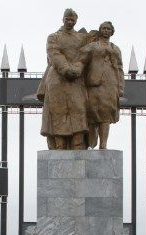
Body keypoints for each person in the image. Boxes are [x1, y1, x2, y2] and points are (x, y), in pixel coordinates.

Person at [37, 8, 91, 150]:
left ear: (76, 21)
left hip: (76, 79)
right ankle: (59, 144)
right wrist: (66, 69)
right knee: (57, 110)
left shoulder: (81, 38)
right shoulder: (54, 37)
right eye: (67, 19)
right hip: (57, 79)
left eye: (72, 19)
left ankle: (78, 143)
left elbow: (85, 55)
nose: (69, 22)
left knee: (79, 109)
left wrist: (78, 67)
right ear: (63, 19)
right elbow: (54, 53)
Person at [81, 20, 124, 149]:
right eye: (104, 28)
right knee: (92, 113)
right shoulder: (92, 46)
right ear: (100, 30)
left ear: (112, 32)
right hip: (94, 84)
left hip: (110, 84)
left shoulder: (116, 49)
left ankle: (103, 144)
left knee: (106, 114)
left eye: (108, 29)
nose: (106, 31)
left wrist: (120, 86)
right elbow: (79, 57)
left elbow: (120, 68)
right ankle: (90, 144)